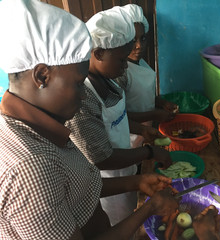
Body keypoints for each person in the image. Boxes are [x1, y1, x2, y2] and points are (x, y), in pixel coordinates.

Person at [0, 0, 179, 239]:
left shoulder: (40, 127)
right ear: (42, 76)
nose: (84, 93)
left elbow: (76, 189)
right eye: (77, 83)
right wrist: (150, 208)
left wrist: (137, 182)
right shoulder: (30, 167)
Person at [65, 6, 174, 226]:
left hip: (126, 168)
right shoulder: (83, 98)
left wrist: (142, 129)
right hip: (106, 182)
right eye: (122, 60)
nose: (126, 67)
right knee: (118, 223)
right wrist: (149, 152)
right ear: (98, 53)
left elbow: (117, 118)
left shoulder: (108, 79)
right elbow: (101, 158)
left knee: (131, 213)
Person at [115, 4, 179, 148]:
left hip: (145, 133)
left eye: (142, 39)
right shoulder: (120, 73)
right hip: (128, 138)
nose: (139, 45)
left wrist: (161, 103)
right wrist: (154, 115)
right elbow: (118, 116)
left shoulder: (140, 62)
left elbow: (141, 95)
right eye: (132, 40)